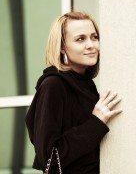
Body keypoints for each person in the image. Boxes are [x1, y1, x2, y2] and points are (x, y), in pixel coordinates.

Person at [25, 11, 122, 173]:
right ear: (62, 47)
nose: (91, 45)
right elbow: (49, 158)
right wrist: (95, 122)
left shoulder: (87, 84)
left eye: (94, 37)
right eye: (80, 39)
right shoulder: (53, 85)